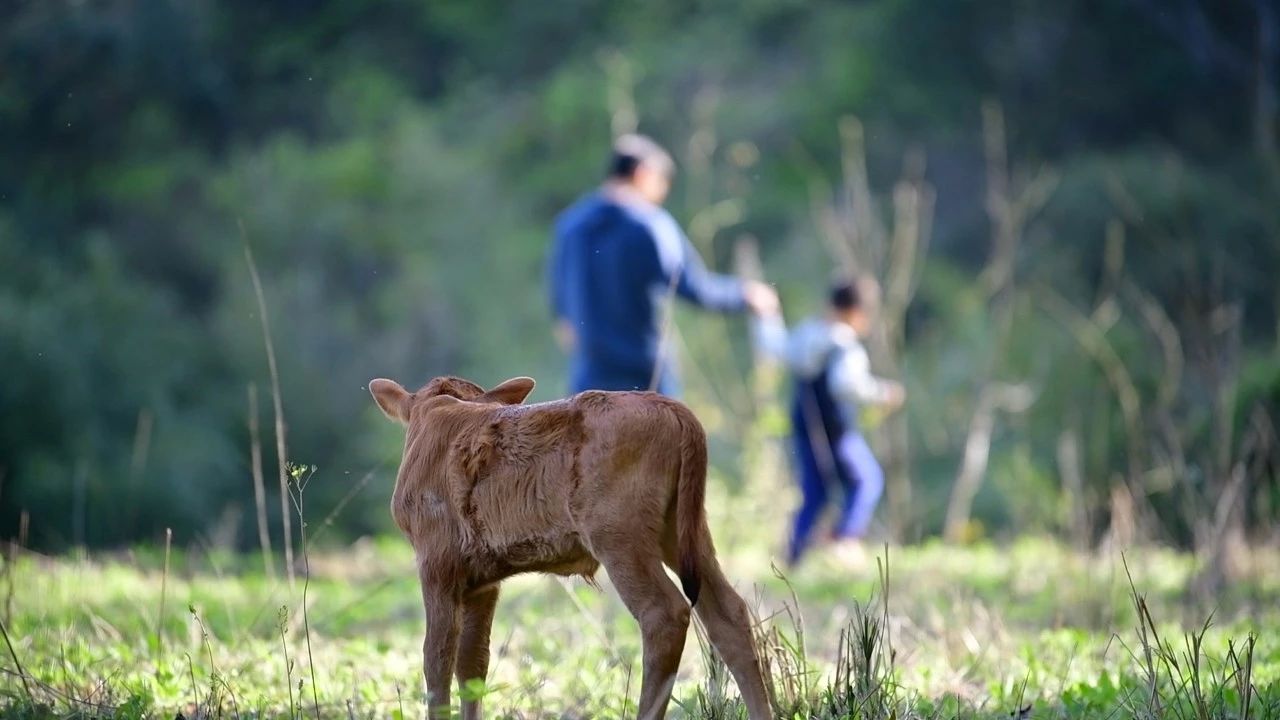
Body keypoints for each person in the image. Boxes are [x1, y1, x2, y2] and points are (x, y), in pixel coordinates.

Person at [547, 134, 778, 395]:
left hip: (589, 382)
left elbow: (562, 317)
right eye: (661, 184)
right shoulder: (649, 225)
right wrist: (745, 294)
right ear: (643, 174)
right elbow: (694, 286)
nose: (661, 196)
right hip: (644, 381)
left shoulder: (570, 226)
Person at [754, 275, 905, 567]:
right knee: (867, 479)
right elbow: (846, 385)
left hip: (805, 427)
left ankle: (793, 555)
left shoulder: (809, 334)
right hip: (836, 431)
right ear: (857, 313)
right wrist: (882, 393)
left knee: (816, 492)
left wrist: (767, 316)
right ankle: (845, 539)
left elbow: (775, 347)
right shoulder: (845, 345)